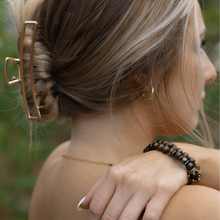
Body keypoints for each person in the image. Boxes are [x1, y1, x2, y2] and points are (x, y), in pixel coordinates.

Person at [4, 0, 219, 219]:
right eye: (199, 45)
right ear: (141, 69)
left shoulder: (55, 166)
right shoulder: (194, 208)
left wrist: (190, 159)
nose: (211, 72)